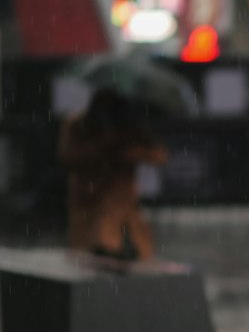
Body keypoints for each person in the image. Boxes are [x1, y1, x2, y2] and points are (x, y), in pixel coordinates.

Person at [58, 89, 167, 261]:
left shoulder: (129, 127)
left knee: (127, 252)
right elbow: (69, 156)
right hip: (89, 198)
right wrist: (103, 147)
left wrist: (127, 151)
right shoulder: (78, 125)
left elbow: (158, 155)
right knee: (90, 255)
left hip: (122, 203)